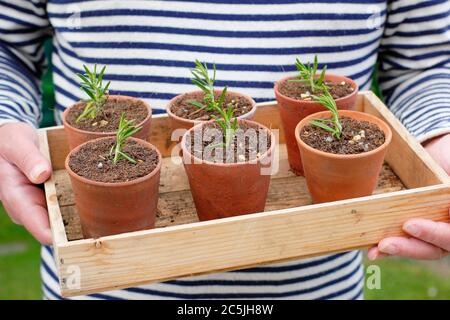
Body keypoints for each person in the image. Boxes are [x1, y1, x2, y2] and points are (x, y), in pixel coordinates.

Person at [0, 0, 448, 300]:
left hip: (317, 280)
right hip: (100, 284)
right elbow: (8, 47)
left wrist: (441, 138)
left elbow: (427, 63)